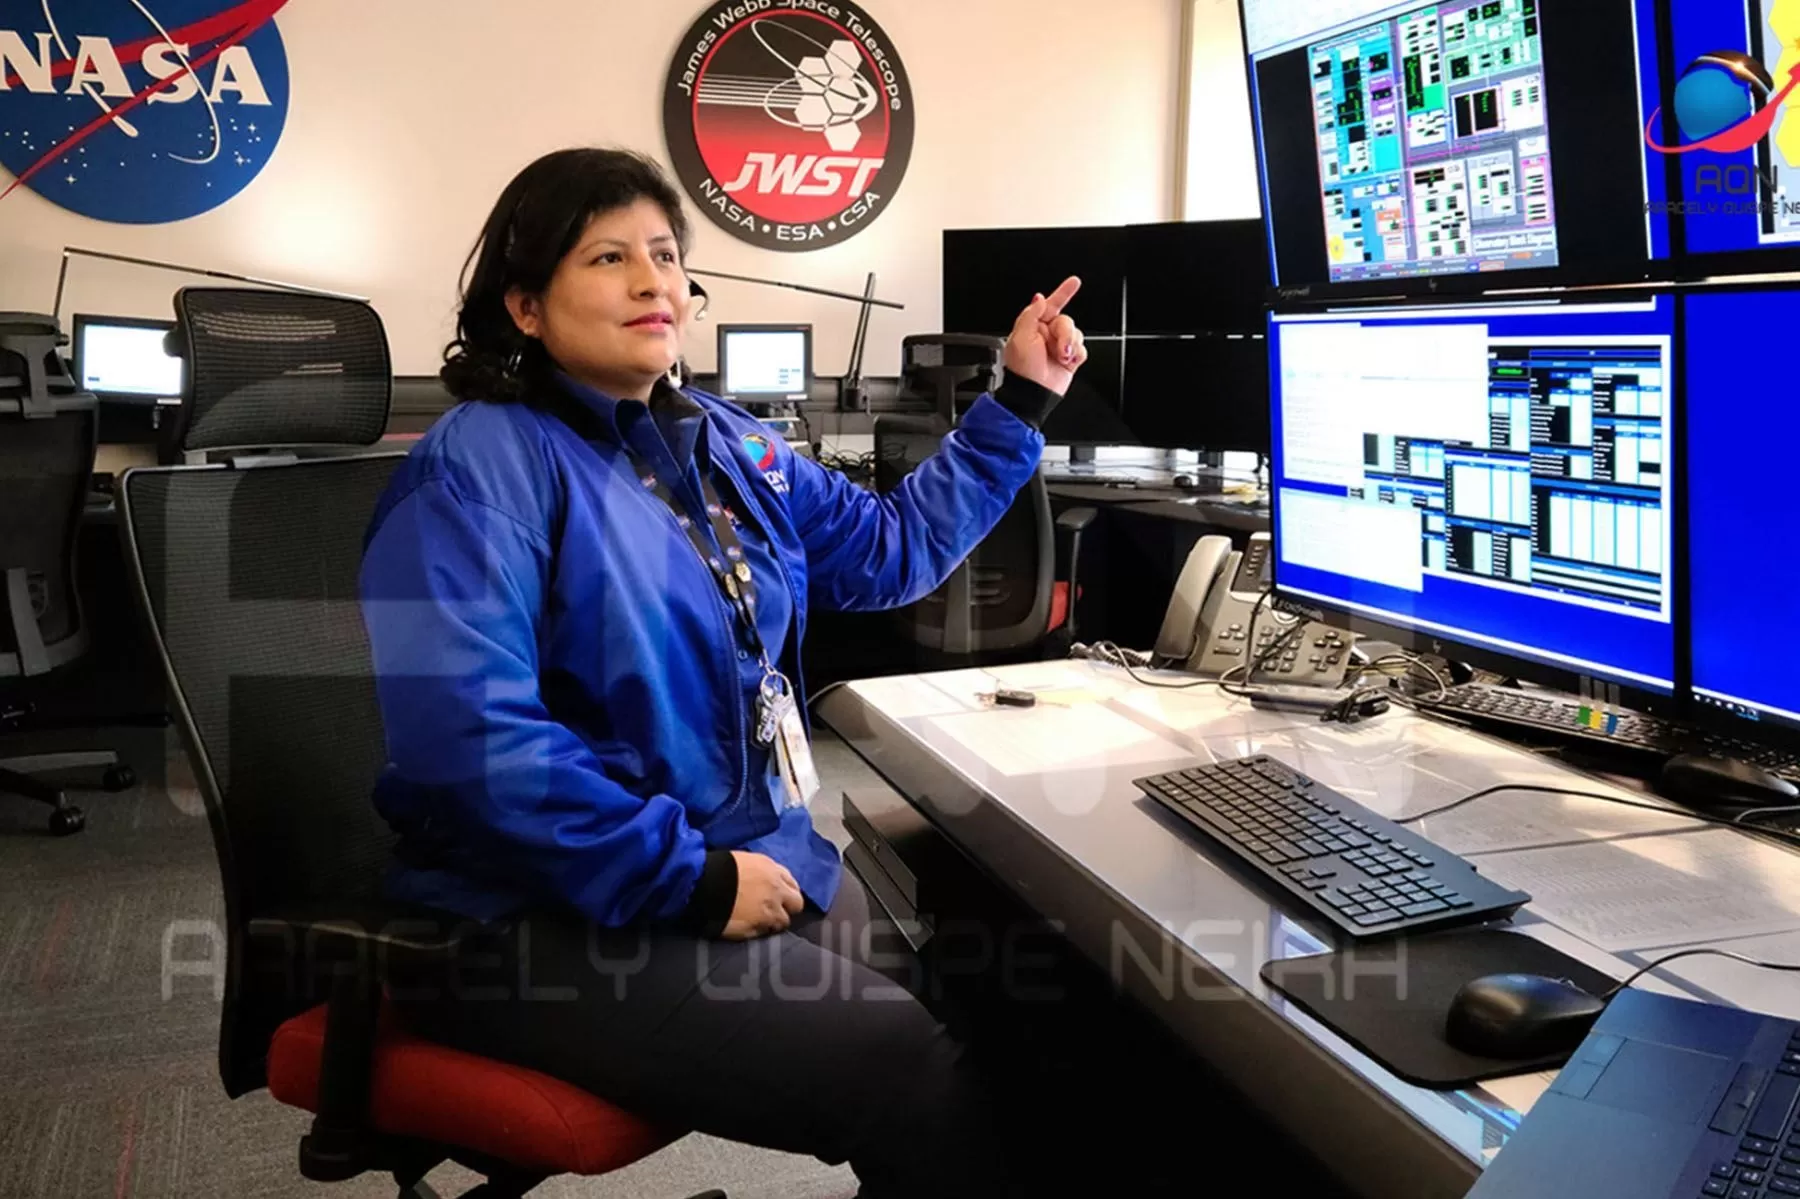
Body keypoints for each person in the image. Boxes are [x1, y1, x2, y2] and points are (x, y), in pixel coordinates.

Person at [357, 147, 1088, 1198]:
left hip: (725, 849)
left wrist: (1020, 400)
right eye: (610, 256)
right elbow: (471, 743)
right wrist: (689, 879)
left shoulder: (723, 445)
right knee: (911, 1066)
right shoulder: (477, 466)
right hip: (525, 914)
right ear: (524, 304)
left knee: (982, 1003)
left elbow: (887, 550)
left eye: (667, 254)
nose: (656, 280)